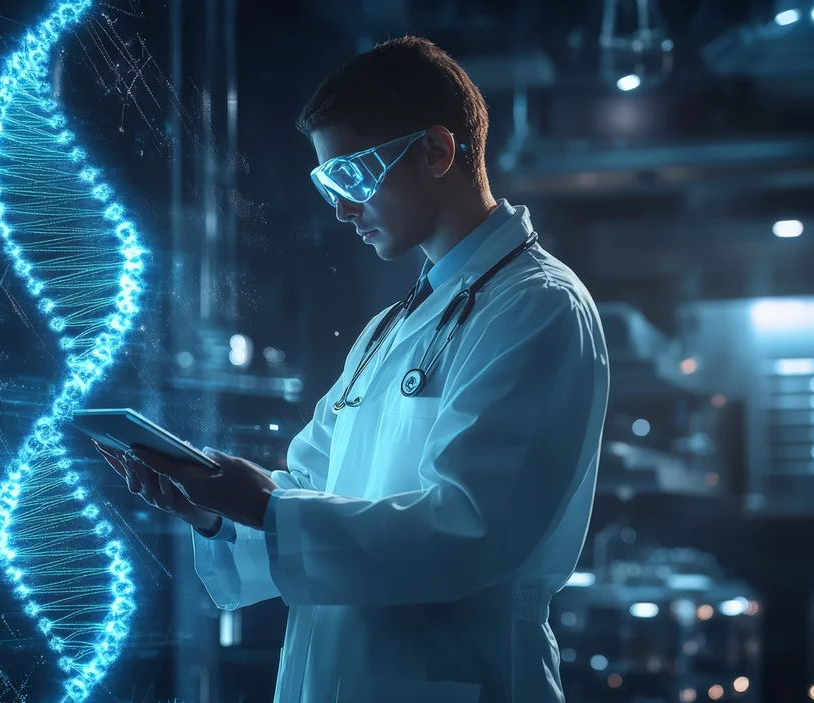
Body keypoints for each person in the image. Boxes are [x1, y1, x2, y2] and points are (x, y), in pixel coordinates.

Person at [95, 36, 610, 703]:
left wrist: (267, 505)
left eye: (353, 176)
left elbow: (470, 527)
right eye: (326, 182)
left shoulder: (538, 307)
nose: (339, 207)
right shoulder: (389, 328)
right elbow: (314, 485)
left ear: (436, 151)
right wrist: (217, 509)